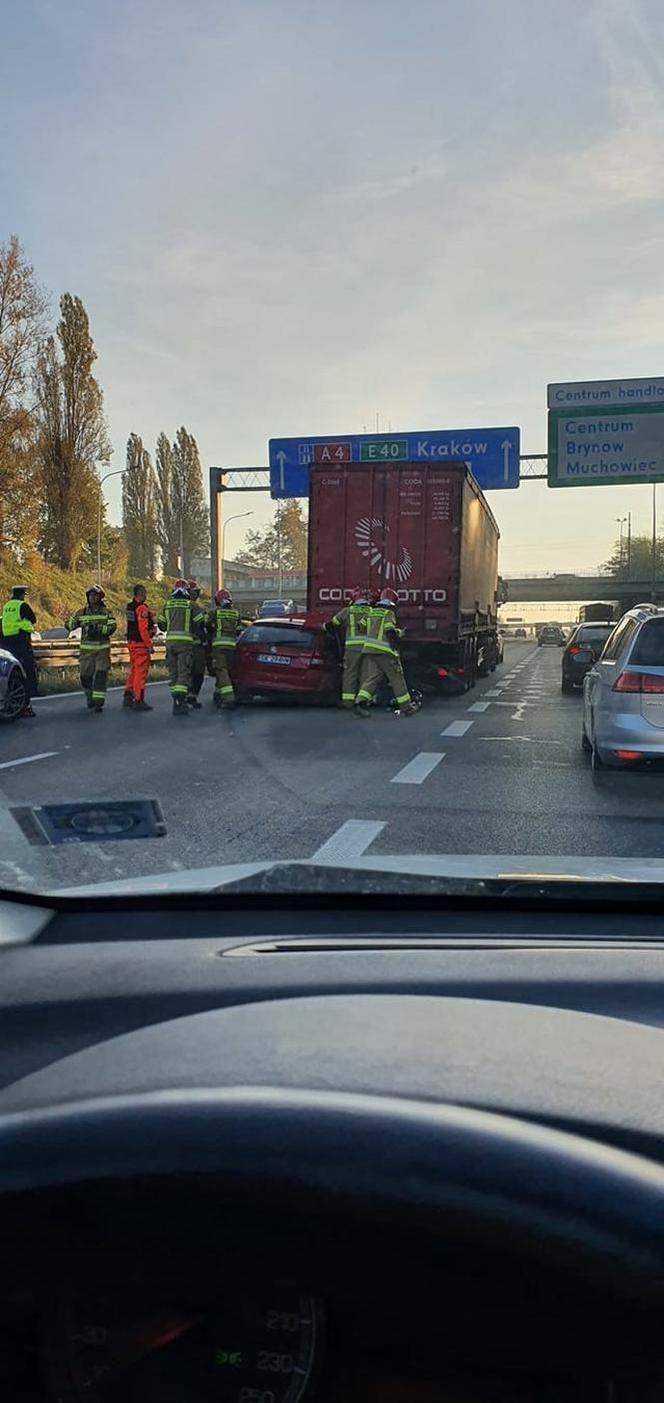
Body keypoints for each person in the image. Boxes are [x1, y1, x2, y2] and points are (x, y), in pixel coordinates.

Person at [354, 587, 418, 718]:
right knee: (397, 678)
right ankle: (407, 707)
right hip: (385, 652)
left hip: (370, 650)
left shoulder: (371, 612)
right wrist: (398, 640)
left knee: (372, 679)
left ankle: (360, 704)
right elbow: (389, 631)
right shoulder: (388, 614)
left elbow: (360, 626)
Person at [157, 581, 206, 717]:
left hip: (170, 643)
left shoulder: (167, 604)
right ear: (186, 592)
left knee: (174, 673)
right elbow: (200, 624)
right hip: (184, 644)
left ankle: (175, 702)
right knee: (184, 673)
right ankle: (181, 702)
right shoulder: (191, 605)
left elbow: (161, 625)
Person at [65, 586, 117, 712]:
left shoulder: (106, 612)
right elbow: (68, 625)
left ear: (100, 597)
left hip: (102, 651)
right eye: (91, 595)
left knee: (100, 675)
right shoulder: (81, 612)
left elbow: (112, 627)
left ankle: (98, 702)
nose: (93, 598)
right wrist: (75, 623)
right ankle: (89, 697)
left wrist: (98, 629)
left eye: (96, 595)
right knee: (85, 677)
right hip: (86, 652)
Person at [327, 587, 370, 709]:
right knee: (366, 675)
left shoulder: (348, 611)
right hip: (368, 648)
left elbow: (333, 624)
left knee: (350, 674)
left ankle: (348, 702)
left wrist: (324, 627)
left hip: (352, 649)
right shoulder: (372, 611)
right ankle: (363, 702)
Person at [1, 585, 38, 717]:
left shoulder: (6, 606)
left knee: (13, 675)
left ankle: (13, 703)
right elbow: (33, 619)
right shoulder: (22, 605)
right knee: (27, 673)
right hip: (21, 642)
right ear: (22, 595)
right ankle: (25, 706)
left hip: (7, 644)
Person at [209, 587, 243, 708]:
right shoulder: (236, 613)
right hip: (232, 647)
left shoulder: (215, 612)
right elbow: (239, 630)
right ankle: (218, 694)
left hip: (219, 646)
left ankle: (229, 697)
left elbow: (207, 625)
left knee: (220, 670)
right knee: (226, 670)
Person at [123, 585, 155, 712]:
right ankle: (139, 699)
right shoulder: (141, 608)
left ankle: (128, 695)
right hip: (141, 644)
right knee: (140, 673)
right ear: (141, 593)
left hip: (131, 643)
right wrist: (149, 644)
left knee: (134, 671)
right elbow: (142, 629)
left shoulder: (130, 607)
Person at [186, 580, 208, 709]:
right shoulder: (195, 607)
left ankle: (184, 698)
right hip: (195, 645)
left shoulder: (175, 606)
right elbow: (201, 626)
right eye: (194, 592)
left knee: (185, 673)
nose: (195, 595)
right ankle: (191, 696)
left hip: (183, 645)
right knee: (197, 672)